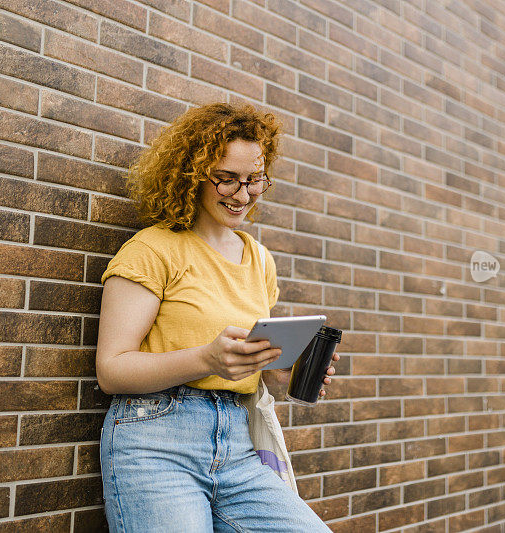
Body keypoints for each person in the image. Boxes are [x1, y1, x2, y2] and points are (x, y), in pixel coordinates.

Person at [96, 103, 337, 532]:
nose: (242, 195)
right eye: (226, 179)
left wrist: (283, 374)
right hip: (157, 443)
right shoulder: (153, 249)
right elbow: (112, 370)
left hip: (238, 445)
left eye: (254, 180)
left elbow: (257, 369)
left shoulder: (259, 259)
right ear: (191, 174)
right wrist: (206, 359)